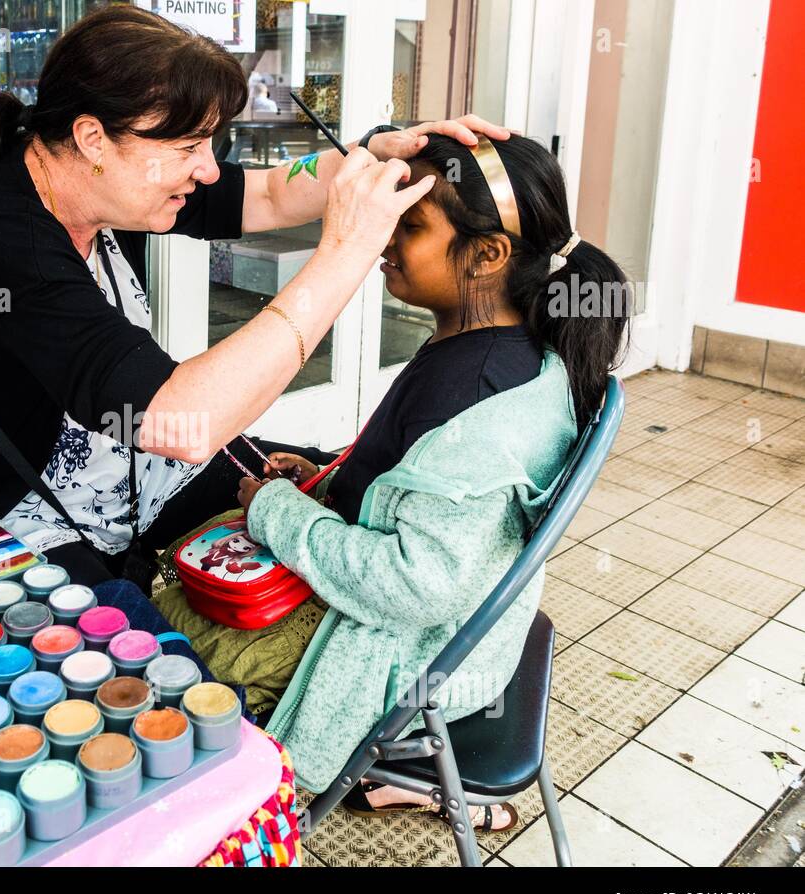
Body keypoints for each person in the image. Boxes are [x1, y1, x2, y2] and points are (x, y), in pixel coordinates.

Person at [0, 5, 505, 586]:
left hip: (121, 473)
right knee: (158, 683)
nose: (206, 168)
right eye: (189, 147)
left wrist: (375, 154)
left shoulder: (99, 177)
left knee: (334, 484)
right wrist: (345, 252)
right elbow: (181, 422)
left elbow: (269, 194)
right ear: (93, 138)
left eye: (210, 144)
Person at [154, 132, 631, 831]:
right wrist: (327, 480)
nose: (383, 236)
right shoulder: (486, 352)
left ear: (489, 255)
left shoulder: (477, 399)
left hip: (397, 651)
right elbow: (407, 484)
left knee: (151, 638)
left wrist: (278, 513)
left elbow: (415, 584)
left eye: (409, 224)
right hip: (442, 627)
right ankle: (403, 782)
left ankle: (200, 813)